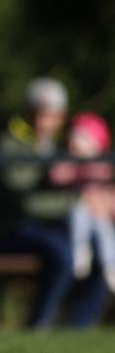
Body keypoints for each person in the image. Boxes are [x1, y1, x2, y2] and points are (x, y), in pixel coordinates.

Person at [0, 79, 108, 327]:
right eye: (40, 113)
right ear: (28, 111)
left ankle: (79, 328)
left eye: (52, 115)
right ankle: (41, 323)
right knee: (64, 254)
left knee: (101, 258)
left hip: (55, 225)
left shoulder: (60, 145)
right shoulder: (11, 142)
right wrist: (77, 201)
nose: (44, 121)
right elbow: (23, 200)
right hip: (18, 227)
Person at [50, 113, 115, 294]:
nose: (75, 142)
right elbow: (57, 177)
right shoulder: (66, 161)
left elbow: (104, 192)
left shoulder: (100, 165)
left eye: (82, 138)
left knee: (106, 233)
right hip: (79, 213)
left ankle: (111, 265)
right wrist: (74, 163)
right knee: (79, 213)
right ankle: (80, 250)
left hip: (99, 215)